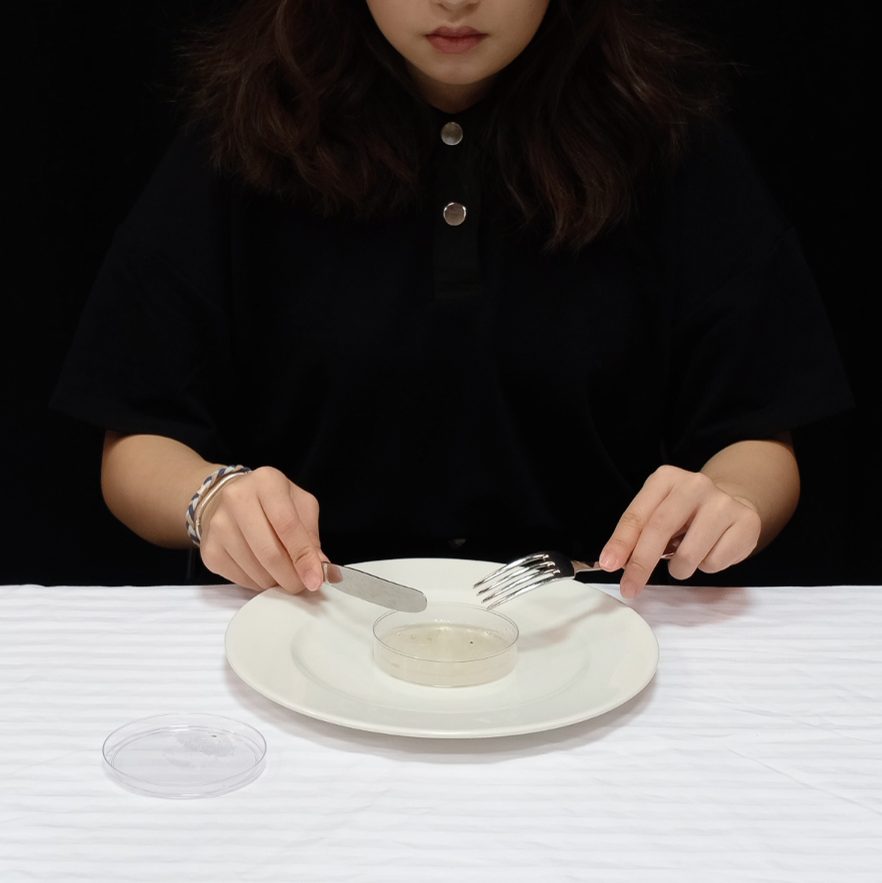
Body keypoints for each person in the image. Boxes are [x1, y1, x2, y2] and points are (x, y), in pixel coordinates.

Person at [52, 0, 852, 600]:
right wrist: (211, 499)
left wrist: (729, 499)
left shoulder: (664, 129)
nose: (456, 0)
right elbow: (137, 441)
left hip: (591, 633)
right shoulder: (246, 126)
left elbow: (758, 435)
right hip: (309, 623)